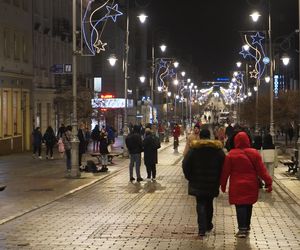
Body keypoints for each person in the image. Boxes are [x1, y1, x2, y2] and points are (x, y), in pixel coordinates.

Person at [220, 131, 273, 238]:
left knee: (240, 206)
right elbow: (262, 170)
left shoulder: (231, 155)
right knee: (248, 205)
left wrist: (223, 184)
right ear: (248, 141)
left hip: (237, 185)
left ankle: (242, 229)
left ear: (236, 142)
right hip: (251, 185)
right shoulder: (254, 153)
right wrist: (269, 182)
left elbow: (225, 172)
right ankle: (247, 226)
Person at [182, 128, 225, 237]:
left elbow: (185, 164)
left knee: (200, 203)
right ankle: (208, 224)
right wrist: (219, 178)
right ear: (209, 136)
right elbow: (224, 165)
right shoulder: (217, 150)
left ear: (200, 136)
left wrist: (189, 177)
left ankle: (201, 229)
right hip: (212, 182)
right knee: (209, 202)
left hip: (197, 182)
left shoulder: (194, 149)